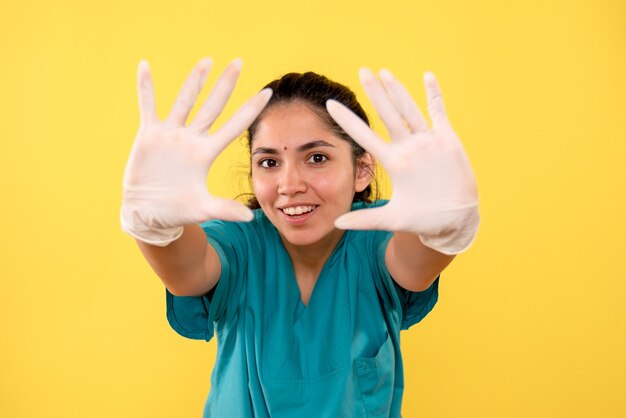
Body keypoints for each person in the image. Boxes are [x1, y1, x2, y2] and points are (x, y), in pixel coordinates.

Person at [120, 57, 480, 417]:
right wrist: (156, 229)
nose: (289, 185)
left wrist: (439, 233)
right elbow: (189, 268)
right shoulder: (240, 241)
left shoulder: (375, 239)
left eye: (317, 157)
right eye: (269, 162)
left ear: (362, 170)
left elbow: (414, 264)